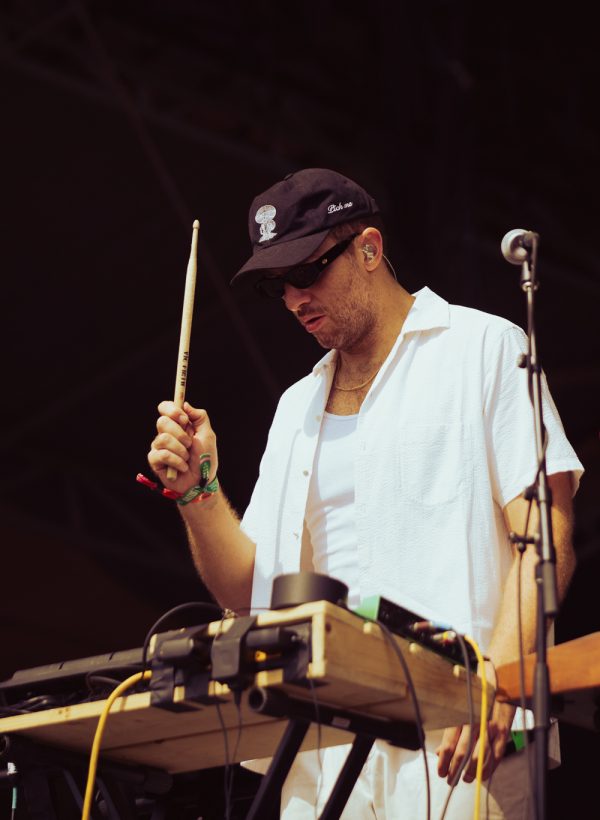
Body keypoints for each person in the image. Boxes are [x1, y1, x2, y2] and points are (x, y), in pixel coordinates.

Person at [147, 168, 583, 819]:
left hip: (457, 739)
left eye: (307, 272)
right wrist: (197, 491)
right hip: (319, 750)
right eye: (277, 285)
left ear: (370, 249)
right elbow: (247, 592)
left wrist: (501, 680)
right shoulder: (296, 407)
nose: (294, 299)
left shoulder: (484, 349)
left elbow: (547, 538)